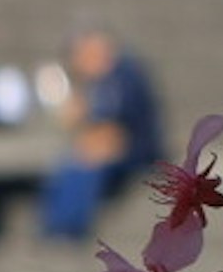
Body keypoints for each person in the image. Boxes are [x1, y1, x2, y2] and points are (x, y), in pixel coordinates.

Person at [35, 23, 159, 243]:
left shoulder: (123, 77)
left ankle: (68, 230)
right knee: (67, 166)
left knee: (82, 168)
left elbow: (112, 130)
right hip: (115, 146)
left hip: (137, 152)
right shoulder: (106, 79)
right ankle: (54, 228)